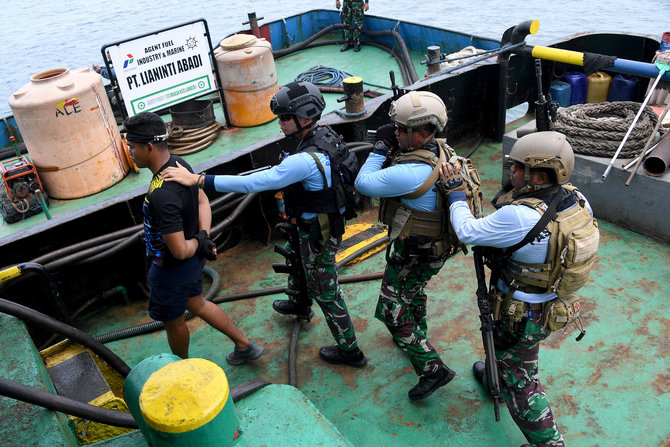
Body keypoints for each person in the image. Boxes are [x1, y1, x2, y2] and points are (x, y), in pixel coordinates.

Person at [161, 81, 367, 368]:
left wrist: (199, 180)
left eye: (285, 117)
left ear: (305, 118)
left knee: (326, 290)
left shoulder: (304, 160)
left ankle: (351, 350)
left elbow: (255, 182)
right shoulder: (324, 135)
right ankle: (300, 304)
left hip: (318, 233)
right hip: (313, 224)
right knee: (299, 263)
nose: (280, 122)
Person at [441, 131, 591, 447]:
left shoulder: (519, 216)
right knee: (518, 356)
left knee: (521, 382)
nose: (512, 170)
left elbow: (468, 232)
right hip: (549, 303)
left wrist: (455, 192)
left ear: (538, 175)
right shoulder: (576, 200)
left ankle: (549, 442)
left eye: (519, 167)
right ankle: (496, 371)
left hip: (520, 313)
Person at [124, 111, 263, 365]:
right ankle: (245, 345)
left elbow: (178, 250)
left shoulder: (163, 196)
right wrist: (205, 236)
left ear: (149, 147)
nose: (130, 152)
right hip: (189, 264)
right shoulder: (179, 165)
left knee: (173, 320)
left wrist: (198, 242)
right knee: (197, 303)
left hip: (170, 269)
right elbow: (201, 200)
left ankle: (183, 369)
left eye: (132, 147)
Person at [354, 91, 457, 400]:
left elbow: (364, 183)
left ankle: (432, 369)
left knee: (390, 308)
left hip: (417, 250)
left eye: (401, 130)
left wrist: (379, 148)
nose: (396, 134)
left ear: (422, 133)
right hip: (433, 247)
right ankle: (417, 333)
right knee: (413, 291)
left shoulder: (412, 171)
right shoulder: (440, 148)